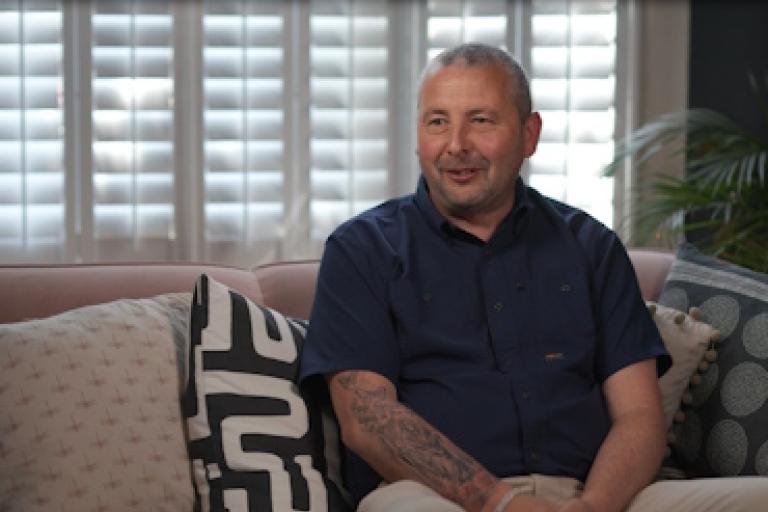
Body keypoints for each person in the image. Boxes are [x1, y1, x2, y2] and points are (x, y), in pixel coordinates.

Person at [299, 43, 768, 512]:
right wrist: (501, 502)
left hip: (598, 496)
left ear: (529, 134)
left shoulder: (591, 247)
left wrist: (595, 505)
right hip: (432, 498)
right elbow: (367, 419)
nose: (456, 143)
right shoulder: (363, 249)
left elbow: (639, 415)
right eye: (437, 121)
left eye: (480, 120)